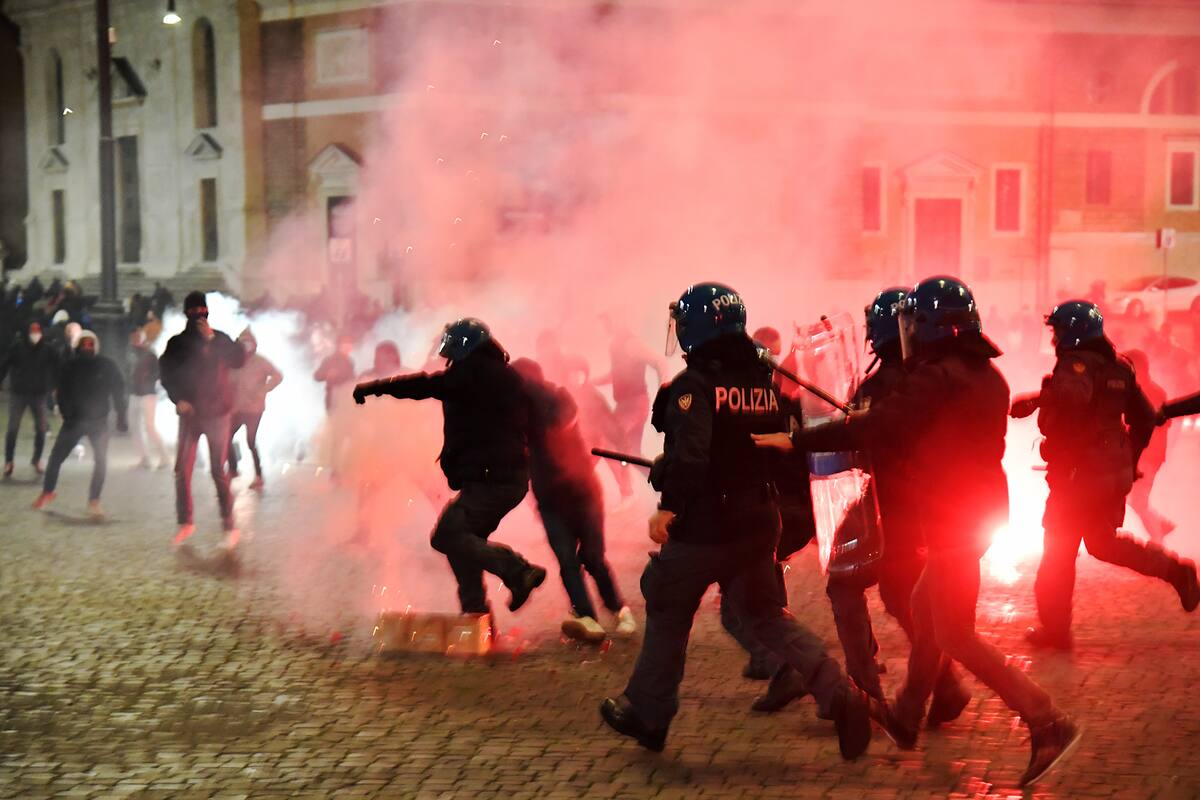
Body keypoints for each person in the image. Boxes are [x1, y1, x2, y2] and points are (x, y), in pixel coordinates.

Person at [759, 277, 1078, 787]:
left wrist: (796, 440)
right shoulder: (984, 374)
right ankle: (906, 717)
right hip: (975, 510)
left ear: (928, 325)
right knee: (929, 613)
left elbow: (876, 428)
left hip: (953, 514)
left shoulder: (936, 378)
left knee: (954, 632)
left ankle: (1046, 720)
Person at [600, 283, 871, 760]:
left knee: (666, 607)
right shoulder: (759, 380)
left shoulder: (695, 385)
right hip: (757, 519)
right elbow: (745, 448)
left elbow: (694, 456)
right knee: (767, 618)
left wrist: (669, 505)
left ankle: (649, 711)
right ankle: (841, 694)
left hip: (708, 523)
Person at [1013, 302, 1199, 652]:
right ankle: (1176, 572)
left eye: (1058, 331)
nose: (1054, 338)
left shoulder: (1074, 365)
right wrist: (1129, 457)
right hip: (1110, 472)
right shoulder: (1120, 367)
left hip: (1078, 477)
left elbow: (1074, 398)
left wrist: (1041, 399)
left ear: (1072, 331)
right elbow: (1144, 418)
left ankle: (1055, 631)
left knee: (1058, 549)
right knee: (1102, 543)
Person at [353, 319, 547, 616]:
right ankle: (475, 613)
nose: (448, 360)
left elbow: (426, 385)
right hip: (503, 476)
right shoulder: (502, 375)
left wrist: (376, 387)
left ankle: (518, 572)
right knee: (462, 542)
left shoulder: (474, 373)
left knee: (446, 535)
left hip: (492, 479)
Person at [513, 357, 635, 642]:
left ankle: (619, 610)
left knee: (592, 557)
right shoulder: (516, 417)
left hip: (583, 494)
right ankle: (586, 617)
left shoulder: (559, 399)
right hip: (550, 501)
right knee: (568, 561)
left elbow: (563, 421)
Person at [159, 291, 246, 548]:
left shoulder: (218, 338)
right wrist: (178, 399)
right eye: (194, 311)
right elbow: (166, 374)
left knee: (219, 470)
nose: (198, 315)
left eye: (201, 310)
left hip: (218, 412)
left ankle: (229, 524)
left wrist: (213, 342)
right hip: (190, 414)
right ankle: (186, 521)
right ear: (187, 314)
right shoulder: (176, 343)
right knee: (181, 469)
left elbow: (239, 359)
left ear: (207, 312)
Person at [33, 331, 127, 520]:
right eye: (84, 344)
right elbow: (61, 392)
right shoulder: (70, 366)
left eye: (90, 344)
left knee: (100, 462)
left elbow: (118, 389)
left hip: (98, 422)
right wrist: (67, 413)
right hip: (74, 422)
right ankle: (48, 492)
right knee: (56, 458)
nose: (87, 347)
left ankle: (94, 501)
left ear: (95, 346)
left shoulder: (106, 365)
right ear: (78, 346)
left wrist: (121, 416)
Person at [596, 317, 666, 504]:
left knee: (608, 446)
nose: (605, 323)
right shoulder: (618, 344)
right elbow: (616, 374)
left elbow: (659, 361)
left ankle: (627, 492)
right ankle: (666, 484)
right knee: (632, 453)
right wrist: (593, 381)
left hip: (633, 405)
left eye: (607, 318)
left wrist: (665, 391)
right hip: (629, 404)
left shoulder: (630, 343)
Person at [1124, 349, 1174, 545]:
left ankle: (1158, 539)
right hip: (1143, 453)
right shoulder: (1138, 390)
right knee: (1134, 498)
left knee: (1137, 500)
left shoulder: (1153, 393)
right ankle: (1160, 525)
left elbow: (1159, 425)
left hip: (1148, 455)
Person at [0, 321, 58, 477]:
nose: (35, 334)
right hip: (19, 393)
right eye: (32, 330)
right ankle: (9, 461)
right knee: (12, 429)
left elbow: (58, 366)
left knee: (41, 429)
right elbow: (5, 365)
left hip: (38, 394)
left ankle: (37, 459)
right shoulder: (17, 347)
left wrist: (57, 385)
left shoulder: (47, 349)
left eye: (37, 330)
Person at [228, 328, 283, 490]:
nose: (246, 346)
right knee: (225, 437)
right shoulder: (234, 361)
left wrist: (264, 390)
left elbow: (278, 375)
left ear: (254, 344)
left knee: (250, 441)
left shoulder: (260, 361)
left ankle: (259, 476)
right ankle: (232, 469)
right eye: (242, 342)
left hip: (254, 409)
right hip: (237, 408)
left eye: (248, 342)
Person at [127, 328, 168, 469]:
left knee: (149, 427)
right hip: (136, 393)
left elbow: (158, 372)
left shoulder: (149, 354)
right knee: (134, 426)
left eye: (137, 337)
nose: (135, 340)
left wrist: (148, 382)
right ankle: (145, 458)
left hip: (147, 393)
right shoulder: (132, 353)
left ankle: (163, 457)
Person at [314, 334, 356, 412]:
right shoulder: (330, 360)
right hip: (333, 399)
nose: (348, 345)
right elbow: (316, 376)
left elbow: (352, 380)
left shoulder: (350, 362)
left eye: (350, 343)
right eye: (345, 342)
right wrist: (327, 374)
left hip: (347, 399)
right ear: (339, 344)